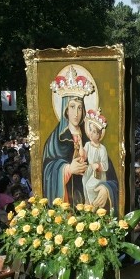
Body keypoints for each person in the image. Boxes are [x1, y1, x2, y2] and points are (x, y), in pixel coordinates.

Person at [42, 65, 116, 207]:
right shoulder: (55, 140)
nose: (76, 113)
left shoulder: (91, 137)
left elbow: (111, 174)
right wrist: (68, 169)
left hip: (91, 201)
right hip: (68, 202)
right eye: (72, 107)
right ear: (65, 109)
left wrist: (106, 189)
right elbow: (46, 171)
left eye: (80, 107)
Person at [81, 109, 111, 205]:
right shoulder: (88, 145)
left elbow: (105, 166)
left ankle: (93, 206)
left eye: (94, 132)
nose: (91, 133)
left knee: (90, 186)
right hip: (89, 170)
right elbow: (84, 155)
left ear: (98, 135)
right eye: (90, 130)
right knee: (84, 181)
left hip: (98, 174)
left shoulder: (102, 149)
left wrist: (97, 165)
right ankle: (87, 203)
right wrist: (80, 145)